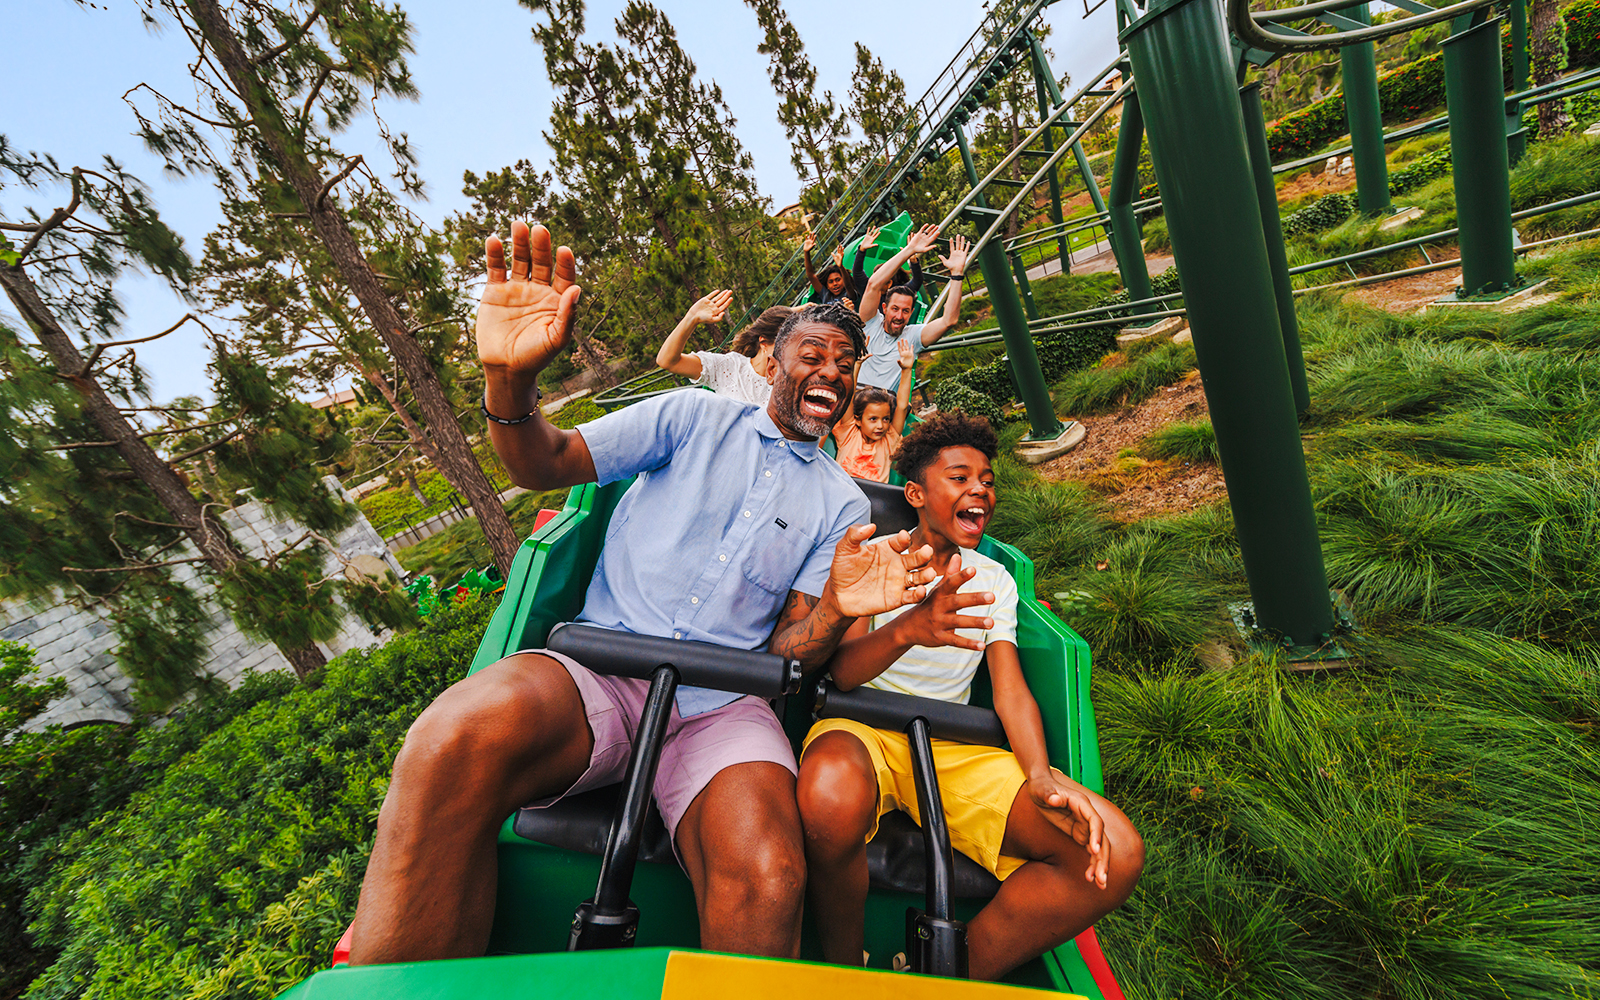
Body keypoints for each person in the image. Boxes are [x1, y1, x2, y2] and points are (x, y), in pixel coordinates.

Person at [347, 221, 941, 965]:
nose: (830, 371)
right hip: (602, 667)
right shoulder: (690, 416)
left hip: (721, 707)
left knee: (767, 872)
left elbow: (793, 649)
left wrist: (834, 611)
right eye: (812, 355)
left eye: (846, 364)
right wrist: (511, 381)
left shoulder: (843, 506)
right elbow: (545, 460)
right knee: (451, 741)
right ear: (773, 364)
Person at [797, 413, 1145, 982]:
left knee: (1114, 853)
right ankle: (844, 967)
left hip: (952, 745)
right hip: (862, 728)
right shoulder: (875, 558)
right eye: (960, 478)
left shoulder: (994, 579)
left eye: (986, 479)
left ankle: (947, 978)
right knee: (829, 799)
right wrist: (910, 627)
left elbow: (1009, 691)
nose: (979, 488)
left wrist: (1040, 776)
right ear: (915, 493)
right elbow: (843, 675)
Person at [857, 226, 971, 393]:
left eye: (905, 311)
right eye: (895, 309)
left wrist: (957, 274)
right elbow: (873, 284)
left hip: (883, 408)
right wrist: (909, 250)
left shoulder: (912, 336)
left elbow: (949, 320)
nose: (898, 316)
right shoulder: (870, 323)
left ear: (911, 313)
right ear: (884, 308)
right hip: (855, 399)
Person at [655, 288, 791, 406]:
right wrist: (691, 318)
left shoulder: (791, 383)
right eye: (785, 347)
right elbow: (668, 361)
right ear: (763, 343)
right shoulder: (730, 367)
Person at [831, 339, 915, 483]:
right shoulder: (849, 434)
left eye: (886, 419)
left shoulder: (889, 440)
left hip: (873, 500)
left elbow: (901, 407)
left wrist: (906, 370)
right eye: (873, 419)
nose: (880, 426)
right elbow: (848, 396)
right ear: (858, 420)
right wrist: (856, 364)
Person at [849, 224, 923, 301]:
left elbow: (917, 280)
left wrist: (913, 261)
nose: (874, 282)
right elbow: (857, 271)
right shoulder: (868, 290)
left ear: (889, 284)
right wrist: (861, 250)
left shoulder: (897, 294)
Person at [804, 231, 858, 308]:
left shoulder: (849, 294)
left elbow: (848, 285)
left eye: (838, 279)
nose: (835, 284)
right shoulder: (825, 295)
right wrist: (806, 252)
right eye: (831, 282)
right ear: (827, 286)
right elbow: (811, 276)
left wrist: (841, 267)